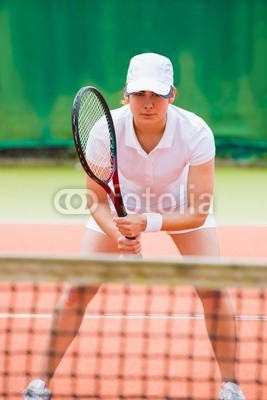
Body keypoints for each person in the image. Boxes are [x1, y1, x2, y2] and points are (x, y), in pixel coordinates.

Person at [23, 53, 246, 400]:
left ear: (172, 94)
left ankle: (231, 387)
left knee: (214, 289)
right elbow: (96, 199)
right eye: (139, 94)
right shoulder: (104, 130)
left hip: (180, 206)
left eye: (156, 94)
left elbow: (199, 210)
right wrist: (118, 234)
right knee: (76, 290)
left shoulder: (196, 132)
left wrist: (148, 223)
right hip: (118, 207)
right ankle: (39, 383)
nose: (148, 103)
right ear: (126, 94)